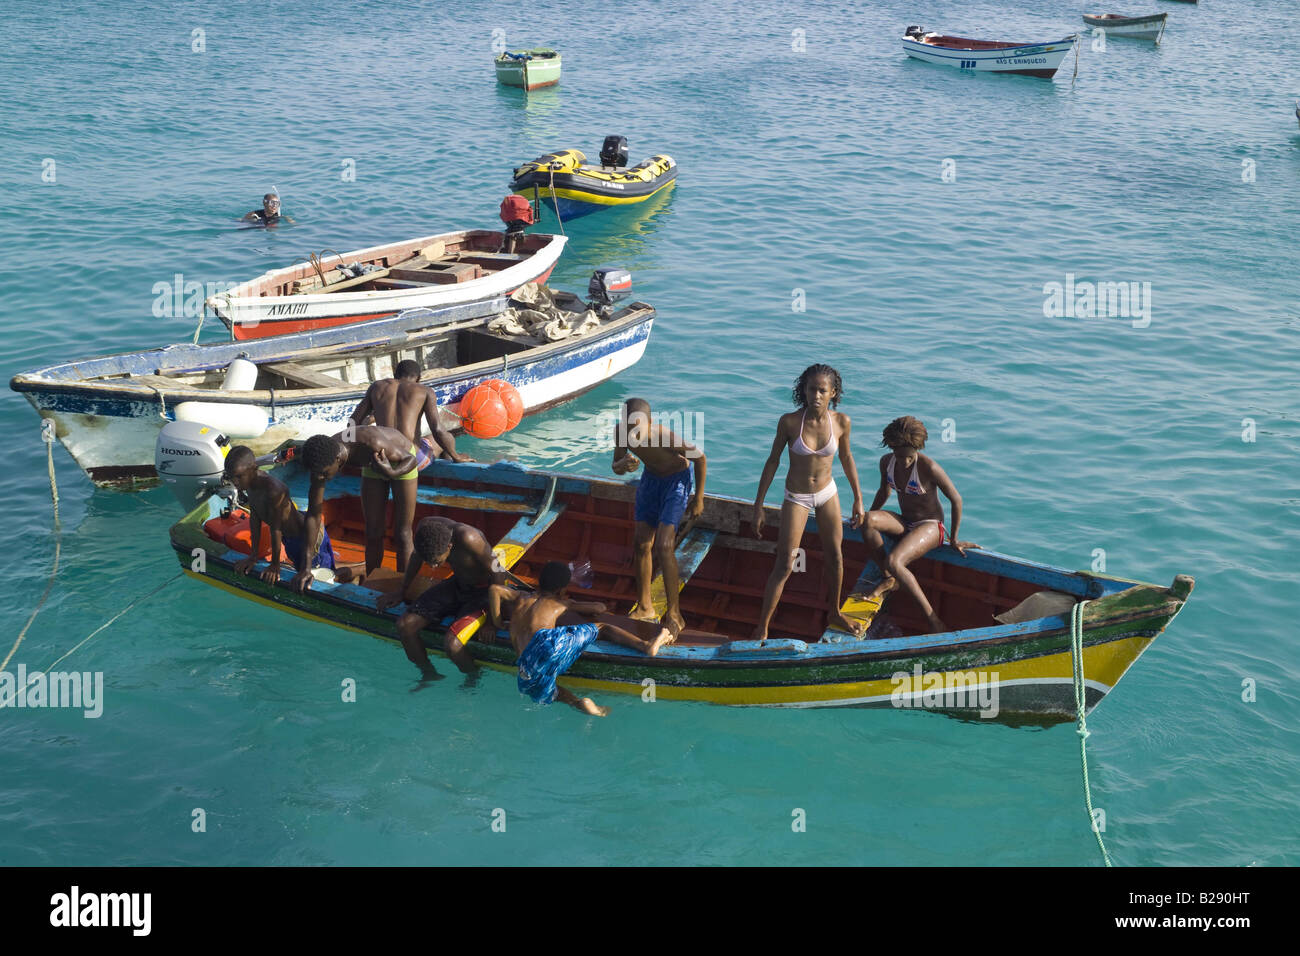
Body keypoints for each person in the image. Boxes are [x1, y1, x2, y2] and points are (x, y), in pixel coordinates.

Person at [751, 364, 867, 642]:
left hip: (828, 492)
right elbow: (772, 461)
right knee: (786, 564)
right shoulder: (790, 422)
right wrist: (758, 506)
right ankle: (762, 627)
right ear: (803, 390)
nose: (816, 395)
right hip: (797, 497)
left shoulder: (842, 422)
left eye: (822, 390)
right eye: (811, 389)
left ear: (833, 393)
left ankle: (835, 612)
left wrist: (858, 500)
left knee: (836, 556)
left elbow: (847, 459)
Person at [491, 561, 672, 717]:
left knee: (547, 689)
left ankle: (579, 703)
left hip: (526, 661)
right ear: (561, 590)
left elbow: (495, 589)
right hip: (548, 641)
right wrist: (574, 603)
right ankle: (646, 645)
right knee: (602, 628)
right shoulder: (561, 603)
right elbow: (599, 608)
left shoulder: (520, 596)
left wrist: (498, 622)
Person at [858, 416, 976, 633]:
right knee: (868, 521)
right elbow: (885, 491)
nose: (903, 461)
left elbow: (956, 499)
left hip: (931, 526)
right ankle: (889, 579)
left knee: (895, 560)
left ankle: (934, 621)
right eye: (899, 455)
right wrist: (867, 513)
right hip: (906, 522)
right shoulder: (887, 462)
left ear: (918, 448)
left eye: (908, 457)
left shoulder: (929, 467)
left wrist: (955, 538)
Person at [610, 397, 706, 636]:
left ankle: (675, 614)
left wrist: (699, 499)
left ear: (650, 422)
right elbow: (615, 466)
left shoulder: (663, 436)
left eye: (639, 429)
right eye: (630, 428)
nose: (634, 435)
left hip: (676, 483)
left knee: (664, 545)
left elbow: (700, 458)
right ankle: (644, 607)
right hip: (651, 481)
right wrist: (623, 463)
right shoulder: (621, 433)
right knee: (641, 543)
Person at [299, 426, 425, 587]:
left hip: (400, 460)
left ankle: (404, 586)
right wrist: (306, 567)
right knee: (373, 532)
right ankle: (370, 582)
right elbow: (313, 515)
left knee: (403, 532)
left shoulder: (371, 442)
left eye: (324, 474)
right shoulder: (322, 460)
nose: (320, 478)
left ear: (338, 459)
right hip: (372, 463)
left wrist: (390, 473)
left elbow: (410, 460)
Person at [376, 516, 499, 679]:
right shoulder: (426, 531)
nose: (433, 567)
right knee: (405, 625)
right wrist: (401, 591)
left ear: (450, 546)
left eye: (436, 562)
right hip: (457, 585)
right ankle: (428, 674)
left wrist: (491, 621)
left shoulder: (470, 538)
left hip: (482, 593)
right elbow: (415, 557)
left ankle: (473, 679)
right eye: (429, 562)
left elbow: (499, 574)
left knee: (452, 645)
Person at [222, 445, 340, 586]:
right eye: (232, 477)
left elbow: (275, 529)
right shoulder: (249, 485)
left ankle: (359, 569)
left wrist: (275, 565)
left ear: (253, 469)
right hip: (289, 539)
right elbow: (255, 519)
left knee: (321, 579)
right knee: (302, 572)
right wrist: (253, 556)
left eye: (239, 477)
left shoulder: (273, 490)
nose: (235, 482)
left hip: (307, 538)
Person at [348, 359, 472, 464]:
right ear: (418, 378)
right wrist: (457, 456)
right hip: (410, 459)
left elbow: (352, 422)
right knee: (448, 437)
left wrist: (353, 451)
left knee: (426, 438)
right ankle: (450, 467)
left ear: (394, 374)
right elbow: (438, 430)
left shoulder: (376, 386)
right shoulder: (425, 391)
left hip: (382, 456)